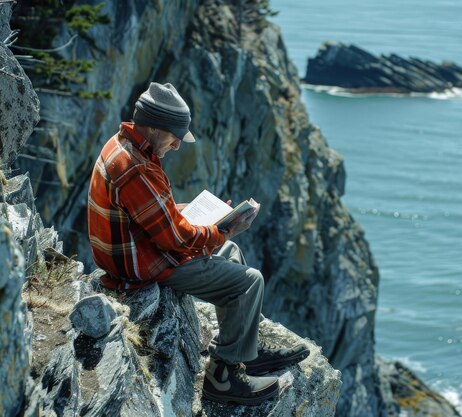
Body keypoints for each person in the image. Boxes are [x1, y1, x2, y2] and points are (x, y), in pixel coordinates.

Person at [87, 82, 309, 405]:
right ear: (153, 126)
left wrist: (194, 215)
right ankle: (222, 377)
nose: (177, 146)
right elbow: (176, 239)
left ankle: (243, 351)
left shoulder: (125, 147)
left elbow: (151, 215)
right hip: (142, 266)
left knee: (230, 254)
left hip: (139, 249)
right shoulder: (135, 169)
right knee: (249, 282)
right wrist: (223, 230)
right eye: (174, 136)